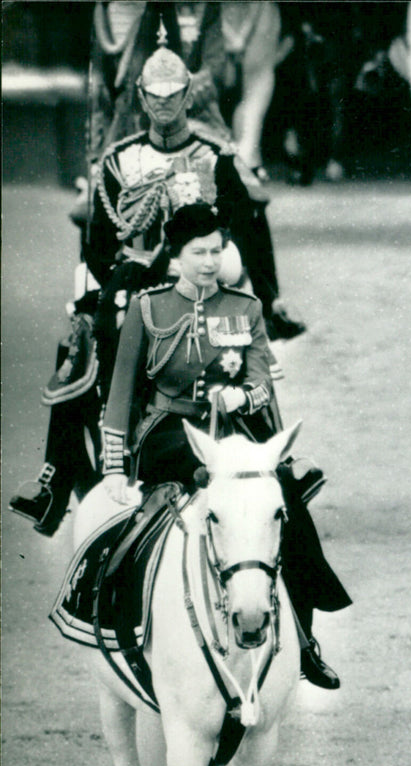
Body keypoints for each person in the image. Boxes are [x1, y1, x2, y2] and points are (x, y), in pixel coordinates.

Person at [10, 30, 303, 537]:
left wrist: (220, 272)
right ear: (141, 98)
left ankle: (282, 464)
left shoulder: (217, 157)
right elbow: (99, 245)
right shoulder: (118, 160)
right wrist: (135, 276)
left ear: (189, 95)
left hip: (206, 278)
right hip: (135, 280)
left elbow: (242, 229)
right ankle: (54, 479)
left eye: (174, 97)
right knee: (78, 335)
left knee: (241, 337)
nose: (164, 106)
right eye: (154, 97)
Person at [99, 203, 349, 689]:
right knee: (145, 525)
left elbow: (263, 383)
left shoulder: (245, 307)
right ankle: (119, 617)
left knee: (288, 511)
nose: (210, 262)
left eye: (217, 251)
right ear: (177, 256)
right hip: (171, 433)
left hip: (236, 432)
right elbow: (121, 393)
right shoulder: (148, 308)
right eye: (199, 252)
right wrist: (113, 468)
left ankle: (304, 642)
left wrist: (243, 394)